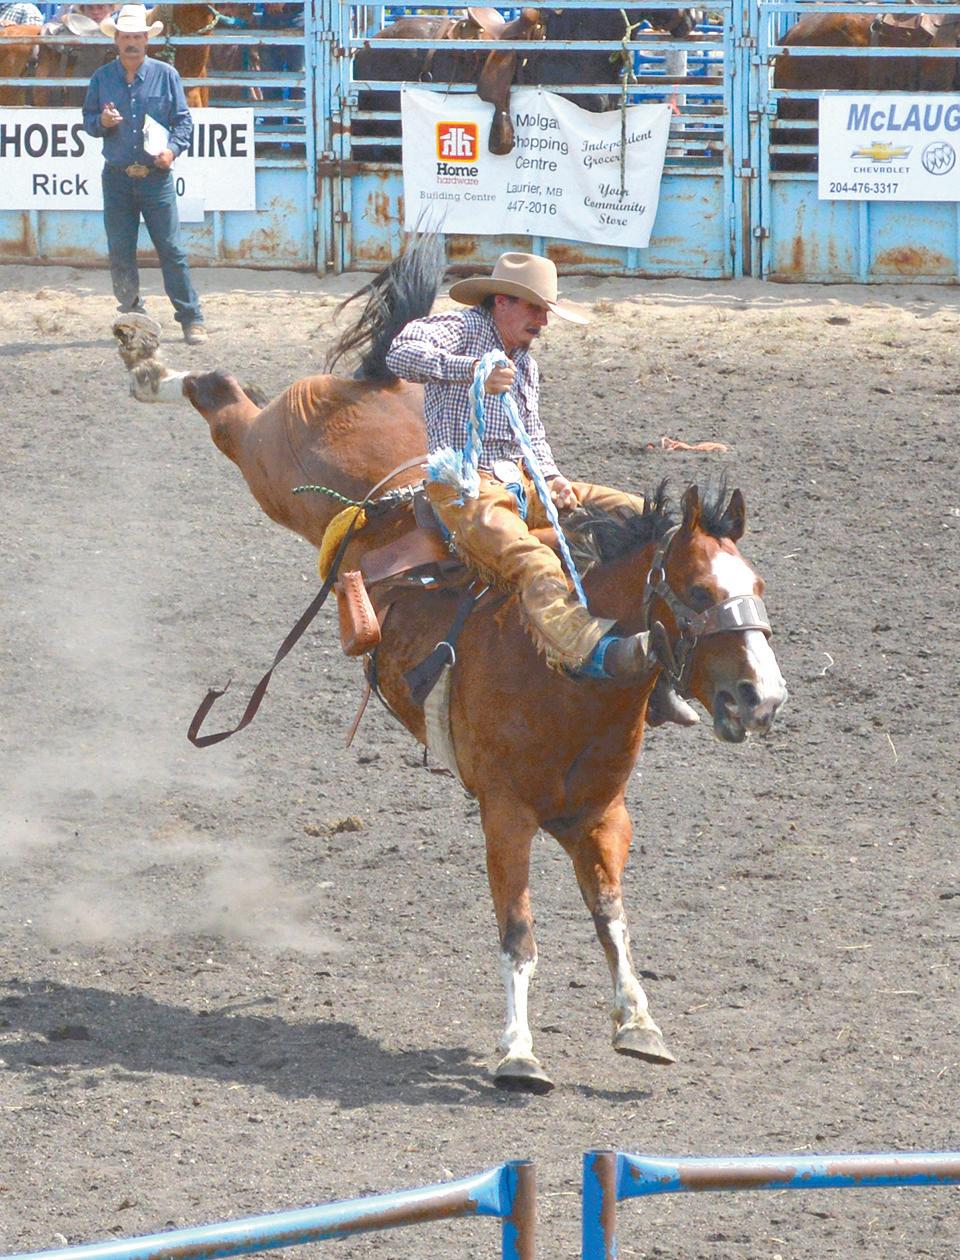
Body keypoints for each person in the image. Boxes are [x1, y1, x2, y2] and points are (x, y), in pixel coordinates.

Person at [384, 252, 698, 723]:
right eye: (535, 308)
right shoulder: (460, 328)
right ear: (501, 302)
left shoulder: (525, 366)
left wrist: (552, 478)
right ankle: (592, 654)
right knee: (533, 561)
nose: (543, 321)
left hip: (523, 480)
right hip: (465, 486)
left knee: (641, 515)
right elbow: (400, 354)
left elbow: (532, 437)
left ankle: (665, 667)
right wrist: (472, 369)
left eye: (546, 310)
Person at [81, 3, 206, 343]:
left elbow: (183, 121)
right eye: (126, 37)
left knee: (171, 250)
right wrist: (101, 122)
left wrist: (172, 151)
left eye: (137, 36)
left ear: (146, 40)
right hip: (117, 176)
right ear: (117, 40)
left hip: (155, 177)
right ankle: (133, 313)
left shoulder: (167, 75)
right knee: (121, 251)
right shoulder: (101, 78)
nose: (132, 42)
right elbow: (88, 121)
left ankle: (191, 317)